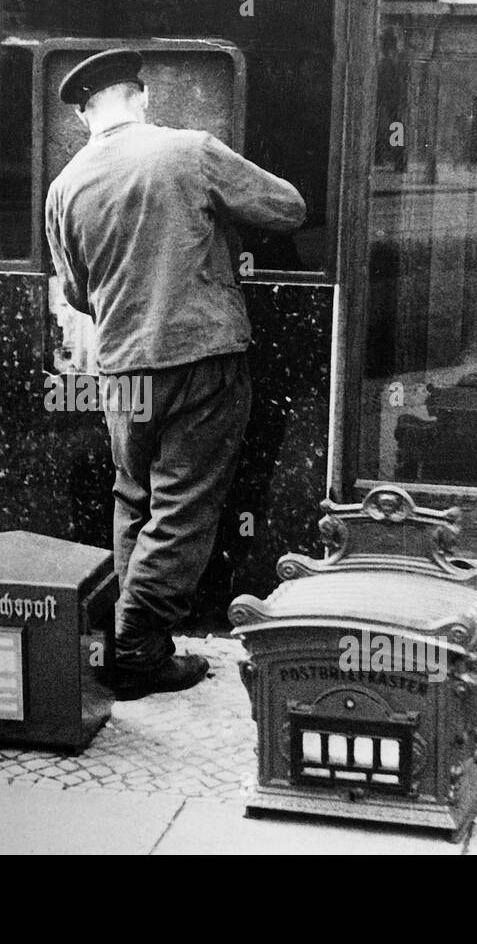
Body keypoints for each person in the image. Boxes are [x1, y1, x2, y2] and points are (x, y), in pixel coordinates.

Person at [45, 49, 306, 699]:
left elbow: (78, 294)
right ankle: (136, 649)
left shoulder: (65, 187)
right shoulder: (189, 151)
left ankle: (137, 640)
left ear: (84, 115)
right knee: (184, 507)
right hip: (198, 356)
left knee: (134, 499)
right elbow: (288, 208)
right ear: (142, 96)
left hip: (120, 370)